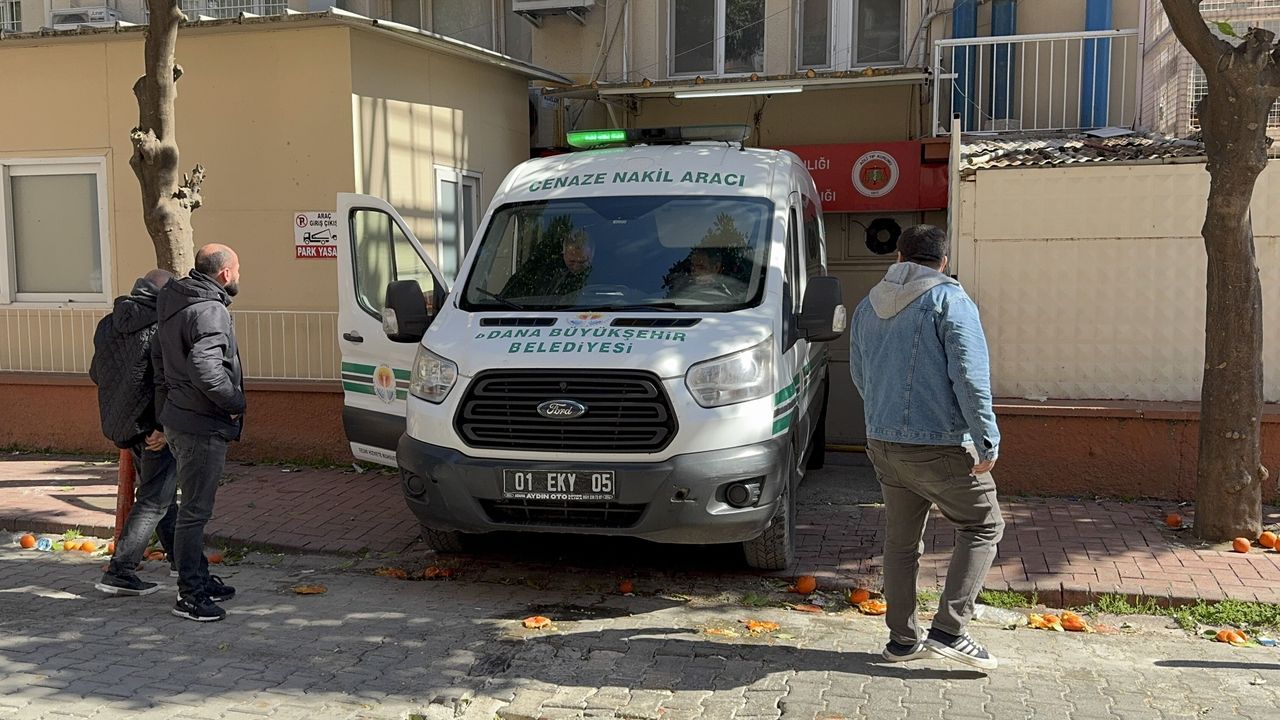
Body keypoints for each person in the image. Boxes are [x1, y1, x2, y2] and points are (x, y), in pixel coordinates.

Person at [849, 224, 1004, 671]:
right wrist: (987, 438)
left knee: (901, 542)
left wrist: (884, 422)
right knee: (984, 525)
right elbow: (969, 377)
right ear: (943, 262)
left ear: (898, 257)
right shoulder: (950, 300)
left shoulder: (867, 305)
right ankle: (950, 631)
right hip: (939, 445)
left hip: (883, 443)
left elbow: (860, 375)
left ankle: (902, 640)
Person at [154, 244, 245, 622]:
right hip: (200, 423)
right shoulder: (209, 309)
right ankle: (190, 594)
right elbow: (206, 368)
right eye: (238, 269)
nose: (239, 275)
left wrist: (165, 409)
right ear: (225, 273)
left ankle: (199, 578)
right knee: (195, 512)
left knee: (191, 508)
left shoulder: (174, 301)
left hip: (180, 417)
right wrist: (234, 402)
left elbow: (159, 362)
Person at [90, 268, 183, 596]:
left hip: (126, 424)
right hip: (153, 426)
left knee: (160, 493)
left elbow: (96, 372)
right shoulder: (162, 326)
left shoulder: (107, 324)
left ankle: (182, 560)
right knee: (155, 499)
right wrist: (161, 425)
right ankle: (121, 569)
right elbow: (164, 380)